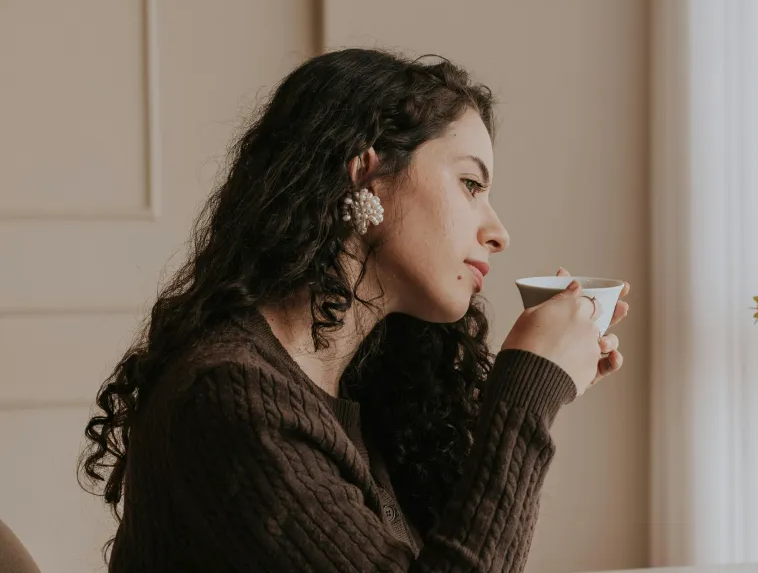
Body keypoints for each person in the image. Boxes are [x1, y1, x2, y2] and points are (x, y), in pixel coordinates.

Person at [78, 48, 630, 572]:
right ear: (367, 174)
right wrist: (528, 392)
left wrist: (544, 384)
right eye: (469, 184)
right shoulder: (230, 398)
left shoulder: (369, 398)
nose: (499, 232)